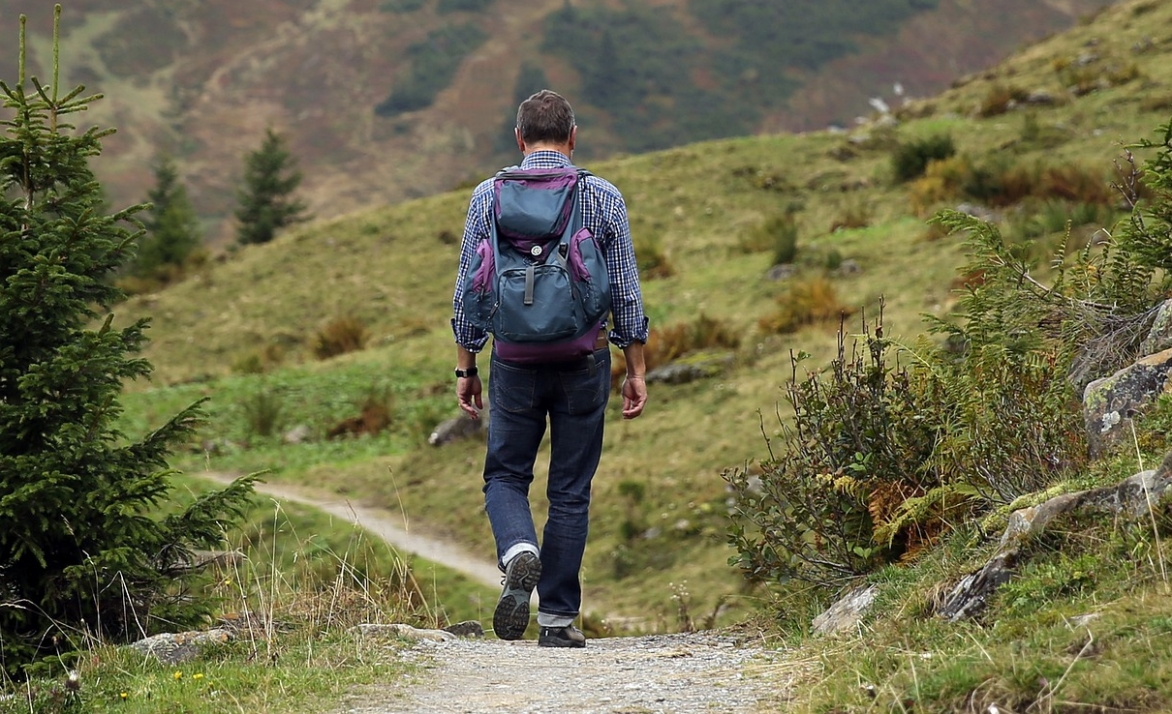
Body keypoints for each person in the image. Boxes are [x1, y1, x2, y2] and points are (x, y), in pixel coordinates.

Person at [450, 89, 649, 648]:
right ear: (572, 136)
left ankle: (519, 550)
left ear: (519, 139)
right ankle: (558, 620)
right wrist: (635, 367)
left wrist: (466, 365)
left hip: (512, 360)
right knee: (570, 489)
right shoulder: (602, 196)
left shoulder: (488, 196)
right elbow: (627, 293)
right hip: (583, 358)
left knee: (506, 475)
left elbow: (470, 286)